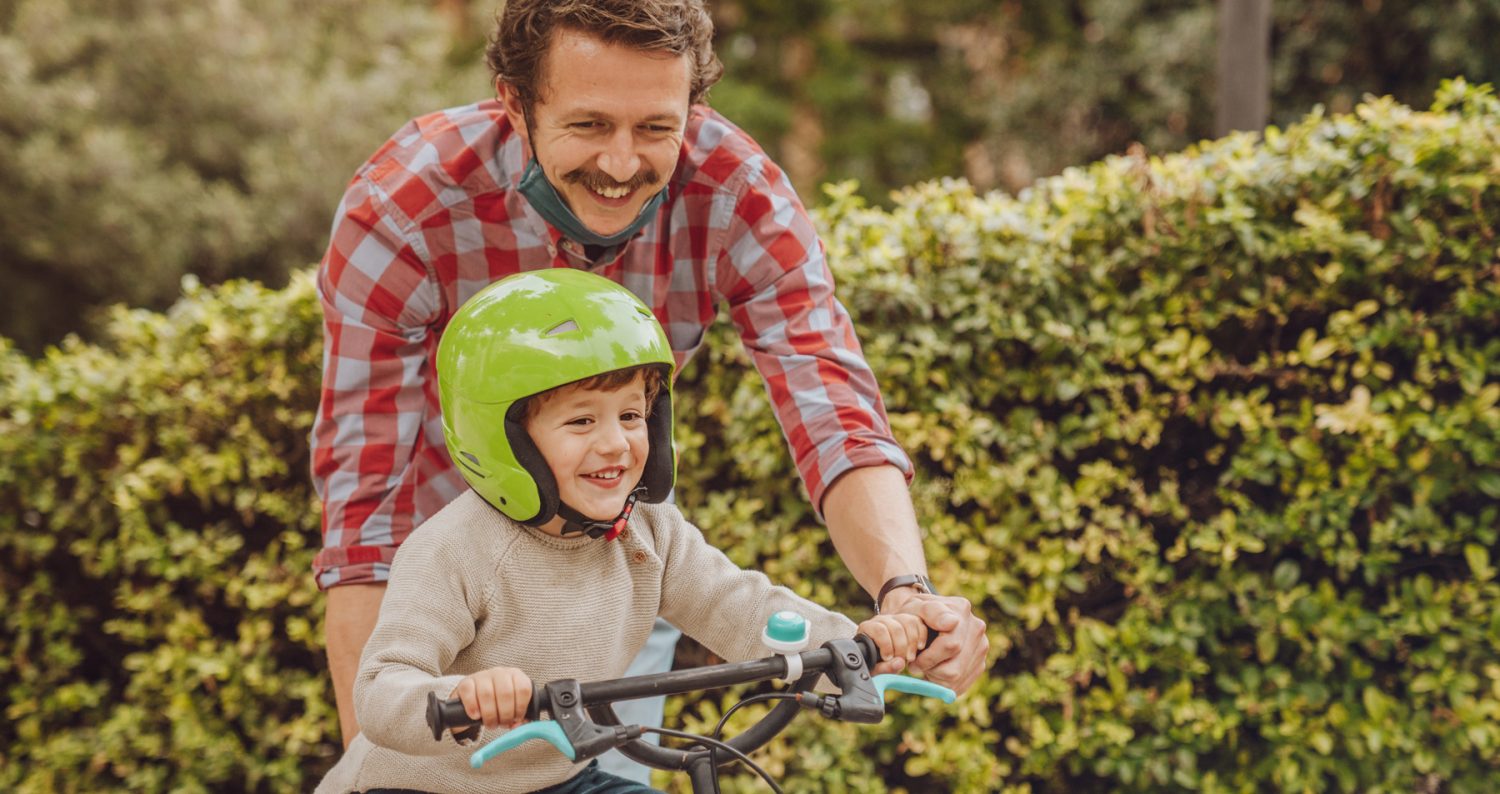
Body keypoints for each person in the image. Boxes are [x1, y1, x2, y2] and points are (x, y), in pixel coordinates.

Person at [310, 0, 988, 777]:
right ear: (514, 103)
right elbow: (364, 520)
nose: (624, 164)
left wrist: (903, 598)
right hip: (435, 577)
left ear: (694, 108)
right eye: (590, 126)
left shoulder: (738, 194)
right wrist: (382, 763)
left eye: (657, 129)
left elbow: (830, 406)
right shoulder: (404, 208)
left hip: (605, 561)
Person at [315, 270, 930, 794]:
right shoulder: (456, 550)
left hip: (554, 781)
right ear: (503, 440)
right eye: (581, 420)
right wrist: (466, 694)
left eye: (632, 416)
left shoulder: (648, 530)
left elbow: (735, 602)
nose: (616, 444)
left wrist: (857, 647)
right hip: (415, 786)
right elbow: (380, 689)